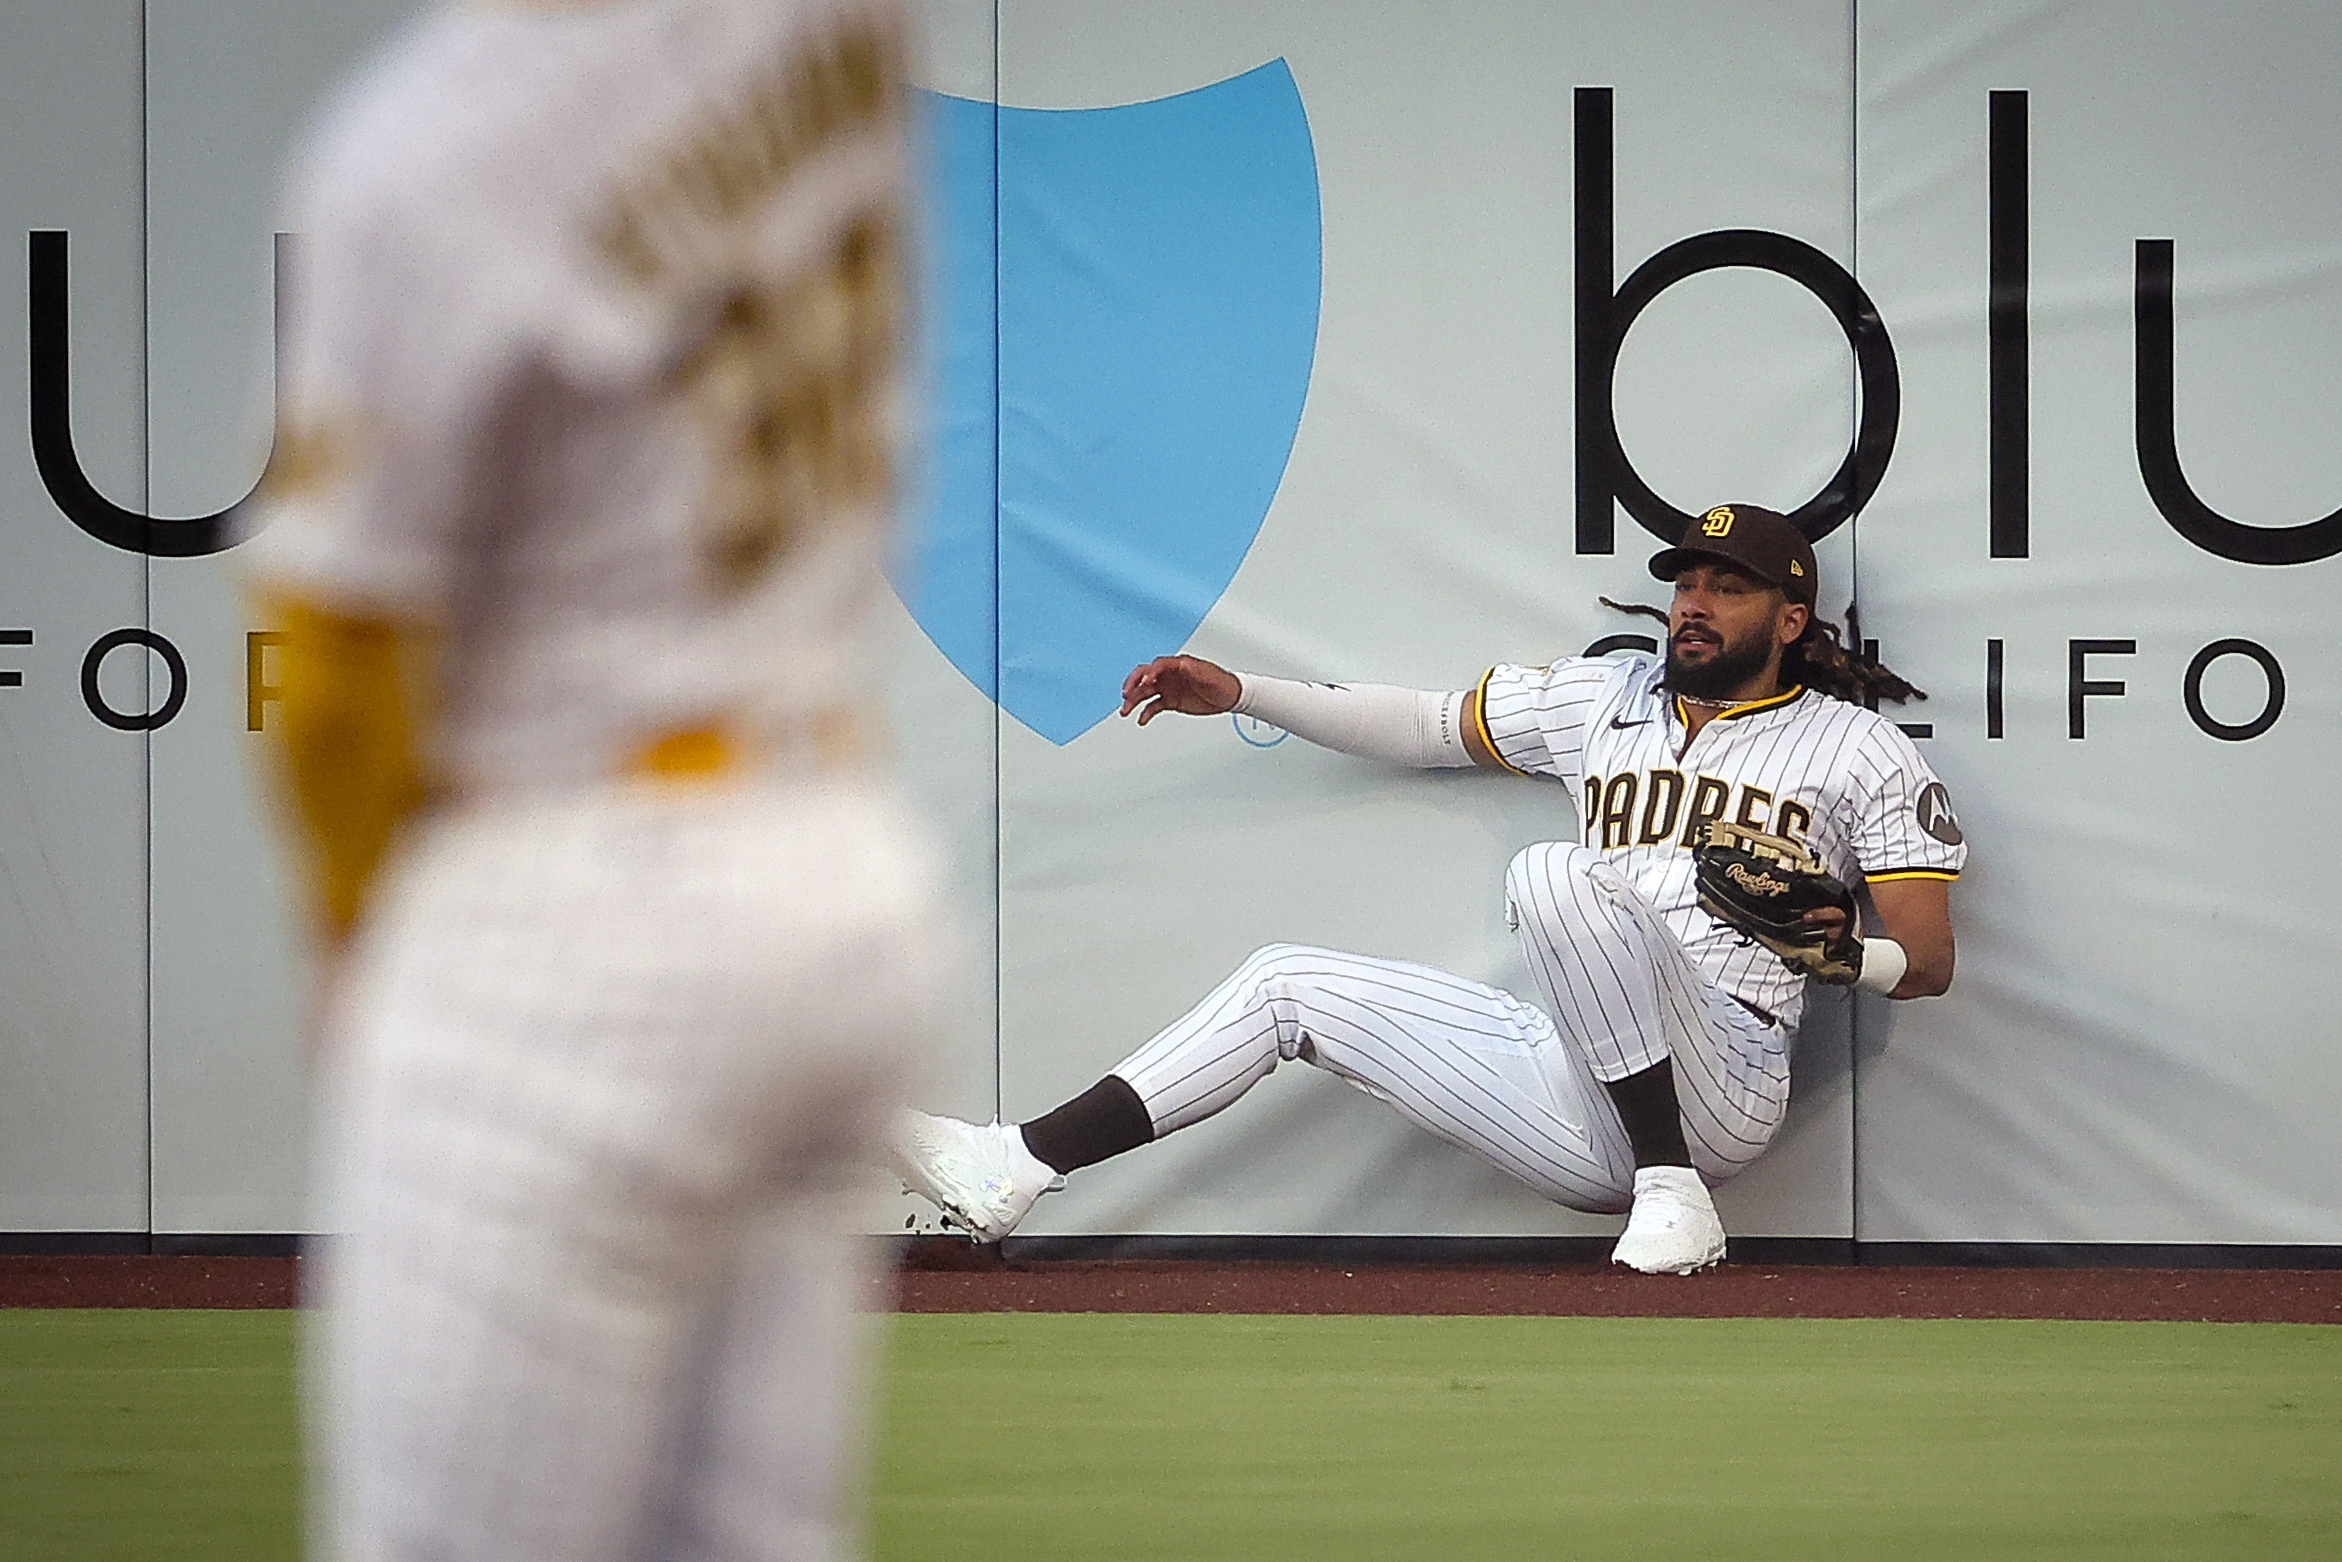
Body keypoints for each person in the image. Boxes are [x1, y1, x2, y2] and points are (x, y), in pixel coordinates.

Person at [249, 2, 944, 1557]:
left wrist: (356, 931)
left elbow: (339, 661)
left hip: (577, 896)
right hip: (834, 849)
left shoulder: (426, 150)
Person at [897, 504, 1962, 1274]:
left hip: (1726, 1065)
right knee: (1287, 984)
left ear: (1789, 617)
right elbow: (1421, 724)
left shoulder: (1856, 747)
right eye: (1685, 581)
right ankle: (1014, 1163)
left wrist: (1838, 954)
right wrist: (1242, 691)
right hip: (1586, 1084)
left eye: (1726, 587)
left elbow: (1926, 961)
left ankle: (1675, 1186)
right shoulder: (1607, 695)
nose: (1691, 604)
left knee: (1555, 870)